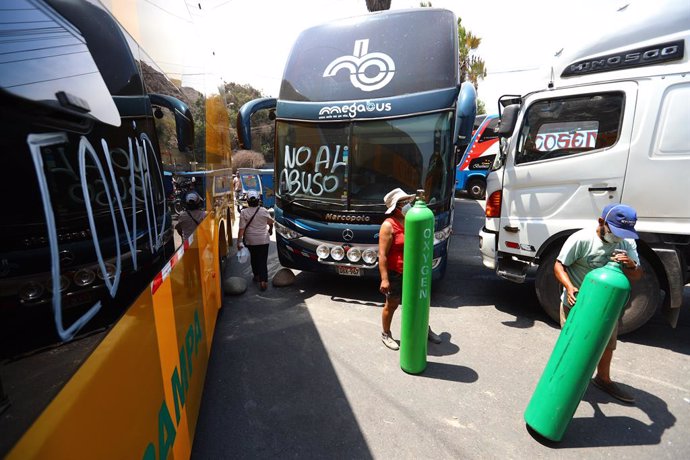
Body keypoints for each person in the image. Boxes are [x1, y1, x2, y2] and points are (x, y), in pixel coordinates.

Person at [554, 203, 643, 404]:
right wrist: (569, 287)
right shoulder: (581, 239)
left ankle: (603, 379)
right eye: (615, 231)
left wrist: (630, 264)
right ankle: (564, 382)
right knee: (572, 345)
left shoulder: (627, 244)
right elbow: (559, 265)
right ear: (601, 222)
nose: (618, 237)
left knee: (607, 344)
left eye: (624, 232)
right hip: (576, 303)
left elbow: (637, 276)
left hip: (606, 306)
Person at [378, 188, 443, 351]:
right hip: (396, 273)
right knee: (391, 304)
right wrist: (385, 279)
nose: (409, 204)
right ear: (396, 207)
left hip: (414, 271)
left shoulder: (414, 219)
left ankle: (424, 330)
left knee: (419, 302)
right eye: (404, 202)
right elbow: (382, 255)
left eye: (409, 201)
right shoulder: (388, 225)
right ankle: (386, 334)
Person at [237, 190, 274, 291]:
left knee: (254, 257)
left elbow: (241, 229)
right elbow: (271, 222)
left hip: (250, 241)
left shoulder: (244, 212)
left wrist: (239, 242)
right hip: (263, 240)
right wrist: (270, 229)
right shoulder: (264, 211)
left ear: (247, 201)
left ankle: (257, 275)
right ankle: (263, 280)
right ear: (258, 201)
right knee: (262, 260)